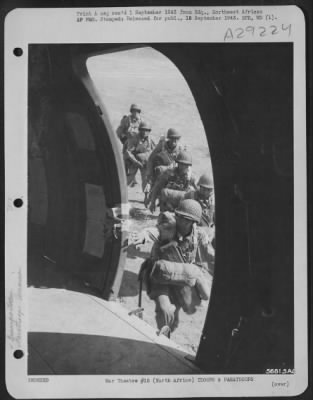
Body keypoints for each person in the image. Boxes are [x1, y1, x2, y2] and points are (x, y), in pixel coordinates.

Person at [132, 199, 215, 335]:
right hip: (161, 276)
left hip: (181, 278)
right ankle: (164, 335)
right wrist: (142, 236)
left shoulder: (199, 236)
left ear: (193, 222)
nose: (181, 222)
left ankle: (168, 330)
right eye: (180, 217)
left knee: (180, 310)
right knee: (165, 309)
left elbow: (211, 256)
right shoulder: (168, 228)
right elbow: (154, 232)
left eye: (186, 219)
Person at [123, 121, 155, 190]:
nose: (145, 132)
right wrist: (136, 162)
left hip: (144, 163)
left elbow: (154, 152)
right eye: (143, 130)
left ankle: (146, 195)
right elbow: (128, 152)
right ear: (140, 130)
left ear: (149, 131)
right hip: (133, 161)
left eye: (147, 130)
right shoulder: (134, 138)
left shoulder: (150, 140)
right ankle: (119, 191)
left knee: (146, 179)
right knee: (128, 178)